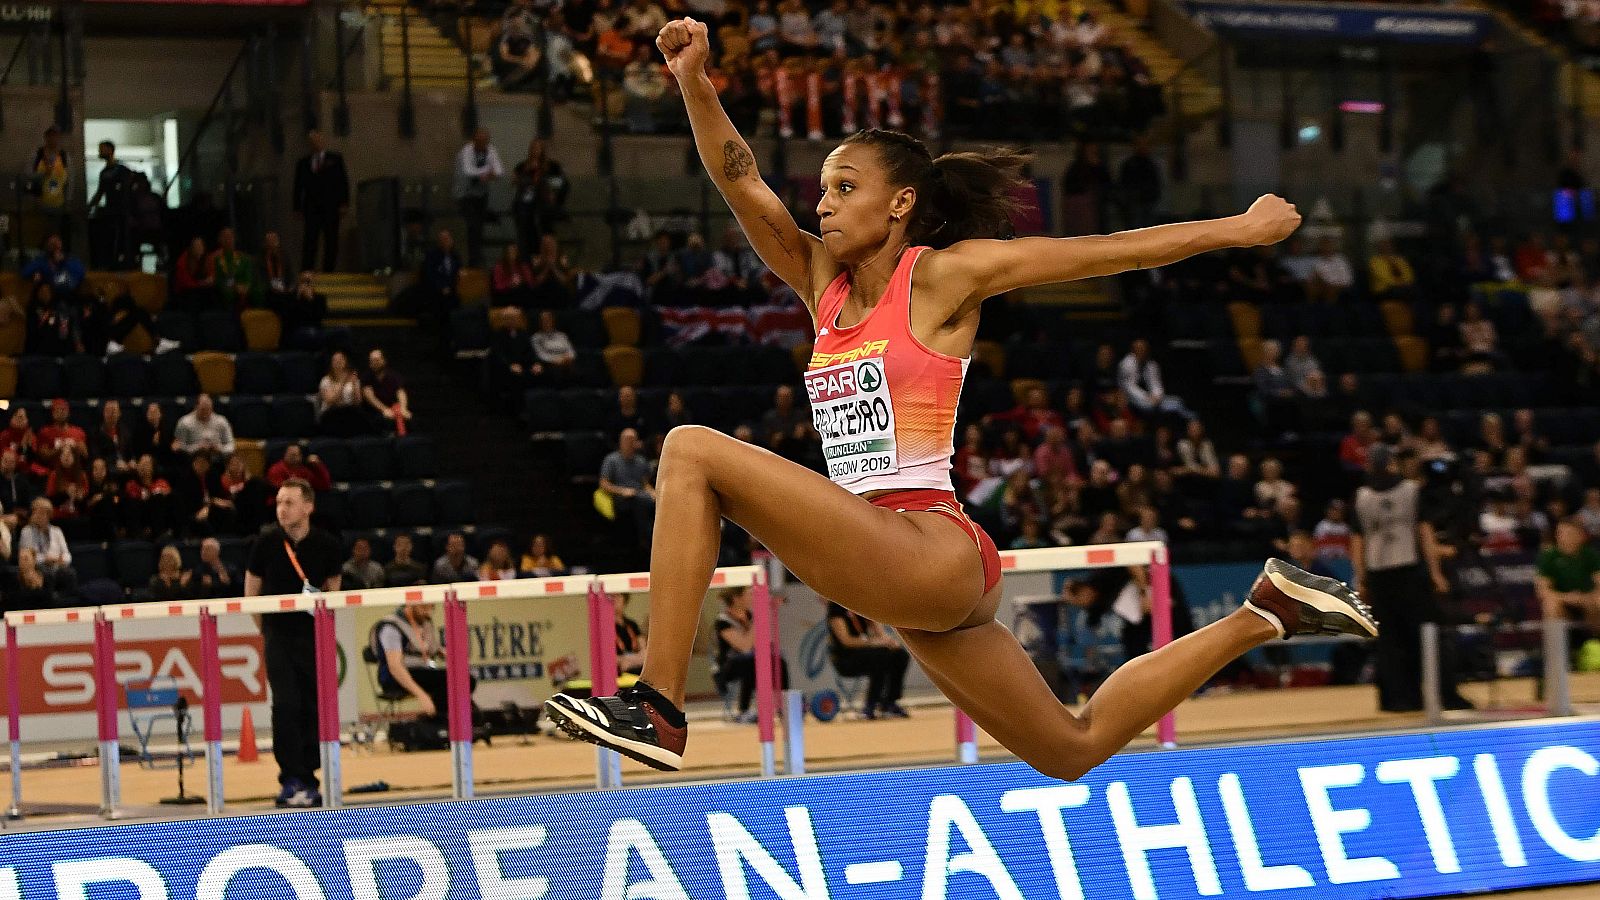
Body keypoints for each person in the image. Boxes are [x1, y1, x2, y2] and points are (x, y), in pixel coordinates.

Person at [543, 17, 1377, 778]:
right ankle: (1267, 614)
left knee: (690, 448)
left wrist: (1235, 228)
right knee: (1070, 748)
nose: (822, 205)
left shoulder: (940, 278)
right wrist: (694, 82)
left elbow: (1099, 253)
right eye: (824, 190)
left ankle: (655, 704)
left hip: (924, 544)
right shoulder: (822, 286)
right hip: (909, 567)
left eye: (844, 188)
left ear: (901, 203)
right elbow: (741, 179)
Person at [245, 478, 343, 809]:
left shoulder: (327, 544)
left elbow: (332, 590)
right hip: (278, 635)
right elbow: (251, 593)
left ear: (308, 506)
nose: (282, 508)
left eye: (289, 502)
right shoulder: (266, 542)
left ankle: (312, 776)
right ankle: (290, 778)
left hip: (312, 636)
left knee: (313, 704)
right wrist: (268, 631)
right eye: (279, 503)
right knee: (285, 704)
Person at [1350, 446, 1458, 713]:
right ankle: (1435, 694)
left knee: (1391, 640)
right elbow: (1424, 533)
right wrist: (1435, 573)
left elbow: (1357, 540)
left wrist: (1361, 578)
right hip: (1403, 570)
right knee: (1415, 636)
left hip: (1385, 572)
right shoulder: (1409, 491)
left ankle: (1399, 699)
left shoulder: (1363, 496)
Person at [826, 600, 910, 719]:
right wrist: (873, 642)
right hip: (846, 658)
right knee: (880, 657)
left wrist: (889, 641)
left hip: (868, 652)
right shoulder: (836, 607)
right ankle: (870, 705)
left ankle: (890, 702)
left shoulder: (862, 602)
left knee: (900, 655)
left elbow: (880, 633)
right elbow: (846, 641)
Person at [292, 129, 350, 272]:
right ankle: (307, 270)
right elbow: (298, 186)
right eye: (312, 141)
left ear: (322, 141)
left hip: (331, 205)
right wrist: (297, 207)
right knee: (310, 239)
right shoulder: (304, 163)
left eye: (317, 140)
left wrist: (344, 203)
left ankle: (328, 270)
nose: (315, 143)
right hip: (311, 206)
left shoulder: (335, 159)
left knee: (331, 239)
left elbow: (342, 182)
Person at [1536, 519, 1600, 637]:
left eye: (1569, 533)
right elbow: (1543, 590)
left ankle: (1595, 644)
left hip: (1587, 600)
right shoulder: (1549, 556)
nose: (1564, 537)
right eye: (1560, 533)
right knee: (1550, 606)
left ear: (1581, 536)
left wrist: (1587, 597)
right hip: (1563, 602)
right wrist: (1567, 597)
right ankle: (1557, 653)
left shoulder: (1590, 555)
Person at [453, 128, 505, 267]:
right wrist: (487, 172)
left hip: (481, 195)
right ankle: (473, 260)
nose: (482, 145)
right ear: (474, 141)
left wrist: (488, 174)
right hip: (465, 194)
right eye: (479, 142)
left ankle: (477, 257)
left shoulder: (490, 150)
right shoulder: (466, 151)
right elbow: (468, 171)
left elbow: (499, 170)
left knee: (479, 227)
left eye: (484, 142)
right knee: (473, 226)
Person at [362, 349, 413, 433]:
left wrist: (403, 409)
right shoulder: (367, 377)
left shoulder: (393, 376)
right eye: (372, 360)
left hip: (394, 408)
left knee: (409, 419)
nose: (375, 363)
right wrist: (384, 409)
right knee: (382, 420)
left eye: (377, 360)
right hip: (374, 411)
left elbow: (400, 392)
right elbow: (370, 397)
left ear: (384, 360)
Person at [172, 394, 236, 461]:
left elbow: (231, 445)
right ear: (196, 407)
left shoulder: (222, 421)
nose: (206, 413)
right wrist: (197, 448)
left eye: (209, 409)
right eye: (203, 410)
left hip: (218, 459)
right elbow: (178, 447)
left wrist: (220, 449)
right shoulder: (184, 422)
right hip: (192, 460)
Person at [615, 592, 647, 675]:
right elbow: (607, 658)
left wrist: (630, 660)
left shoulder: (632, 624)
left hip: (636, 668)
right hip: (618, 673)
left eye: (618, 596)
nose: (615, 600)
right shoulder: (605, 627)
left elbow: (644, 651)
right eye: (612, 596)